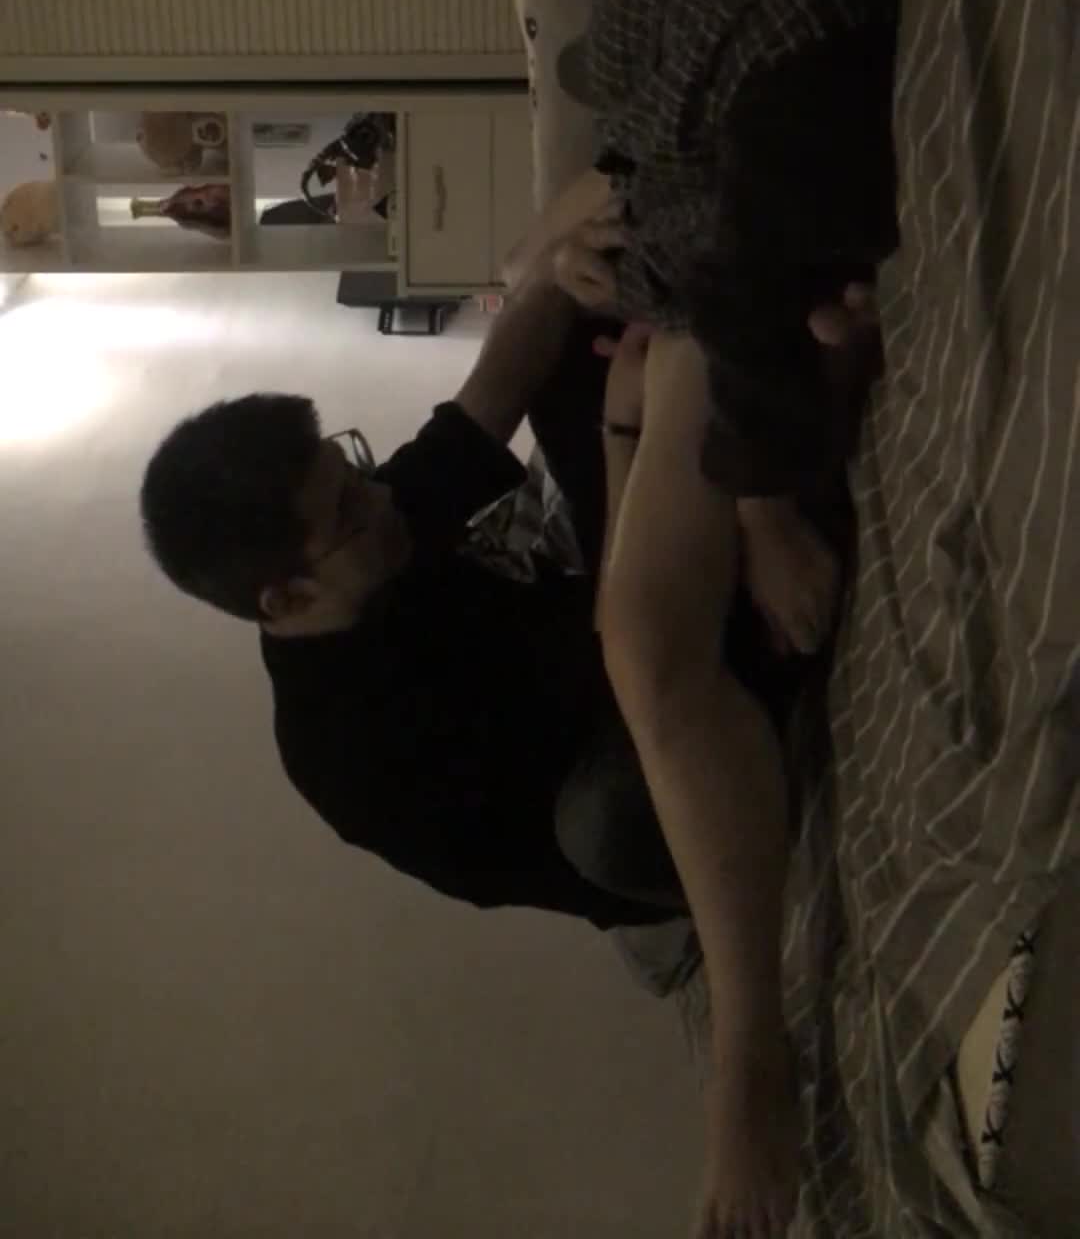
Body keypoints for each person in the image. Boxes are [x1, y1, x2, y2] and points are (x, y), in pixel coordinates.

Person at [501, 0, 976, 1232]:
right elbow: (637, 86)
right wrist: (589, 205)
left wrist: (769, 500)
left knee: (643, 634)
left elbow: (766, 275)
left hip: (735, 294)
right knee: (620, 517)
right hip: (673, 251)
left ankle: (752, 1046)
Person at [138, 237, 879, 938]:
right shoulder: (353, 753)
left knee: (568, 346)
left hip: (628, 619)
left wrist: (559, 268)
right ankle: (778, 440)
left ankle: (764, 389)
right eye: (350, 510)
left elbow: (488, 397)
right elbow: (631, 664)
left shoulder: (373, 528)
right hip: (653, 778)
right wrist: (627, 438)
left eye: (355, 469)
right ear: (288, 599)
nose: (383, 496)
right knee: (605, 821)